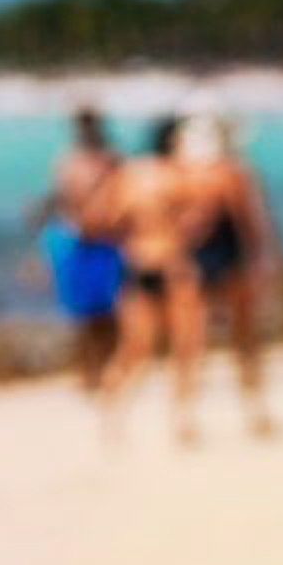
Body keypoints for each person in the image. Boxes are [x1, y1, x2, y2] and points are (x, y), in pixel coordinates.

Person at [81, 115, 207, 446]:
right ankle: (182, 422)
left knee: (133, 350)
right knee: (186, 347)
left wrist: (130, 235)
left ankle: (111, 421)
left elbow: (95, 220)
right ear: (175, 142)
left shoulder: (128, 175)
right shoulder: (178, 175)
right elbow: (201, 219)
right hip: (172, 265)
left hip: (135, 263)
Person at [176, 111, 281, 438]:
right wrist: (265, 261)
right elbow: (250, 224)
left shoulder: (180, 172)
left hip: (191, 261)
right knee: (243, 338)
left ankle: (185, 419)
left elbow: (169, 226)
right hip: (228, 258)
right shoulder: (234, 173)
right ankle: (255, 412)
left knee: (191, 342)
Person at [31, 105, 125, 393]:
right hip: (77, 241)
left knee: (110, 312)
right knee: (81, 315)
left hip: (107, 240)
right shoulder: (68, 161)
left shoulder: (111, 159)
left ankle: (108, 369)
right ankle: (89, 372)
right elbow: (58, 198)